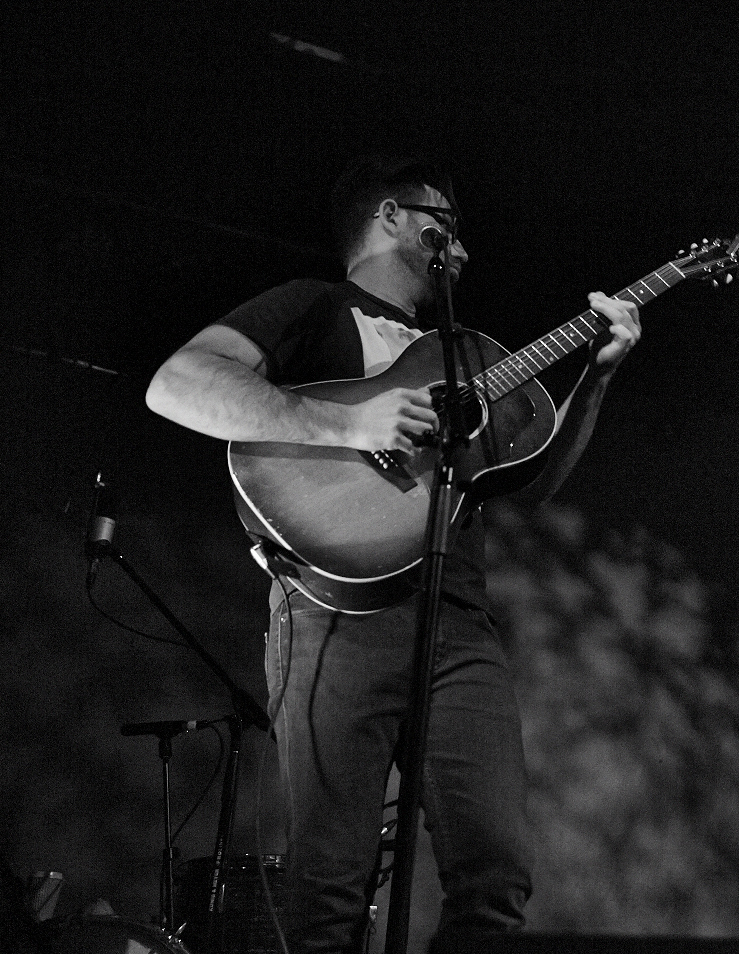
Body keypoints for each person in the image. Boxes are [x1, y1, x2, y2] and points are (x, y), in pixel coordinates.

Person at [145, 156, 642, 953]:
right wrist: (352, 424)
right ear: (388, 215)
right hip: (332, 614)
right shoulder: (314, 305)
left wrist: (599, 377)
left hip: (458, 623)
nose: (465, 250)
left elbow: (533, 483)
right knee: (331, 889)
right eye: (443, 219)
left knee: (497, 872)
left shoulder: (466, 354)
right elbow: (178, 382)